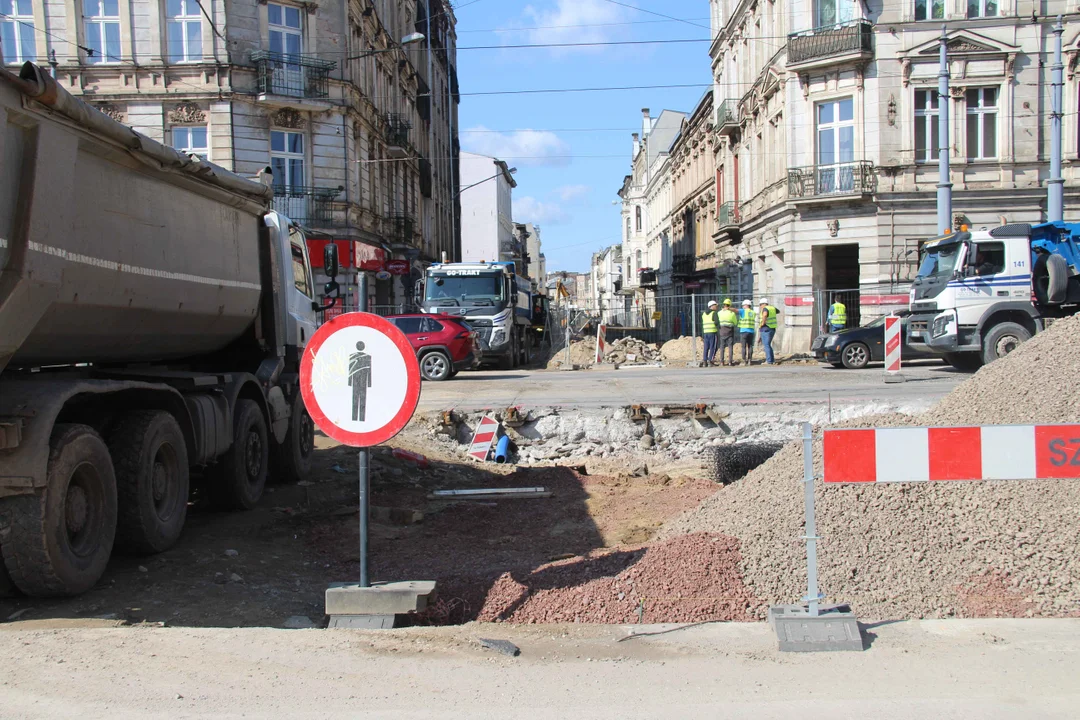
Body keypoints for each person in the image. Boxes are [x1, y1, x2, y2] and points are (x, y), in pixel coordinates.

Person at [716, 298, 739, 366]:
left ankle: (722, 362)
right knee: (730, 347)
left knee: (722, 347)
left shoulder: (719, 313)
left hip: (722, 331)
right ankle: (730, 362)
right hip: (730, 331)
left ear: (723, 305)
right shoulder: (732, 313)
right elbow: (735, 323)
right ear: (729, 305)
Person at [758, 298, 779, 365]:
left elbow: (765, 315)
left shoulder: (765, 309)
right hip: (772, 328)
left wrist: (762, 323)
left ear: (763, 304)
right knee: (768, 345)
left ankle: (769, 361)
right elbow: (778, 311)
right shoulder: (772, 308)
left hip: (766, 328)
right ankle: (772, 360)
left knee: (766, 345)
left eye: (760, 305)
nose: (760, 306)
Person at [701, 300, 719, 367]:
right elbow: (717, 322)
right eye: (715, 305)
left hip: (706, 332)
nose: (716, 307)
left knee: (706, 347)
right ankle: (710, 361)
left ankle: (705, 361)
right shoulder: (714, 313)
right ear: (712, 306)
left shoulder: (704, 314)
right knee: (713, 347)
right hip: (712, 332)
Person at [738, 299, 756, 365]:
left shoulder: (743, 311)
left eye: (743, 305)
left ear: (746, 305)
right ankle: (750, 360)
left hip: (743, 331)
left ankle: (744, 360)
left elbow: (736, 310)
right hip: (751, 331)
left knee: (743, 346)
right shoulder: (753, 312)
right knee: (750, 346)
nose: (742, 307)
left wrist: (729, 308)